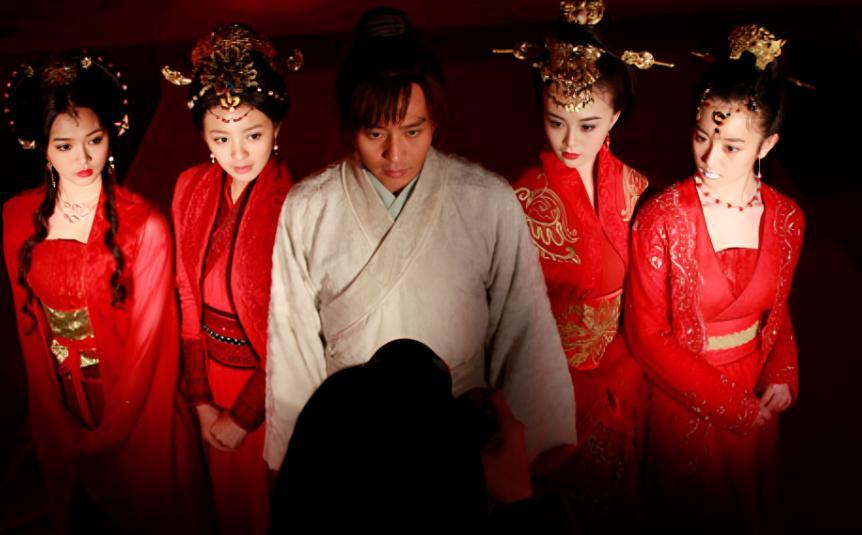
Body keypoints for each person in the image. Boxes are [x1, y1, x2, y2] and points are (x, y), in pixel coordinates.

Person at [264, 8, 576, 470]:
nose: (395, 154)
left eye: (413, 131)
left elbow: (524, 329)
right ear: (350, 128)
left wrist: (534, 449)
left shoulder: (486, 199)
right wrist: (298, 463)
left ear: (435, 122)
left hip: (460, 439)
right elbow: (293, 348)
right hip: (352, 443)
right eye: (375, 133)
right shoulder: (308, 208)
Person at [2, 54, 203, 532]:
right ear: (42, 147)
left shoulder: (145, 226)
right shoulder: (15, 218)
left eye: (94, 140)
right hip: (61, 400)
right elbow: (30, 333)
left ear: (111, 135)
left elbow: (150, 348)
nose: (83, 158)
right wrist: (54, 419)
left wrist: (112, 430)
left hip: (134, 402)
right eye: (64, 145)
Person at [624, 24, 805, 531]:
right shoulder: (662, 218)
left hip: (756, 391)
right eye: (702, 137)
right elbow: (645, 333)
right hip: (683, 394)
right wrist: (731, 407)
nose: (709, 158)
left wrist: (783, 370)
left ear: (767, 145)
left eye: (731, 146)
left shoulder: (788, 218)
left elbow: (778, 306)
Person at [501, 1, 671, 527]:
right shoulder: (520, 201)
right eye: (556, 122)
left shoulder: (635, 188)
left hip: (622, 372)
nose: (570, 141)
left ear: (616, 117)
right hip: (551, 385)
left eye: (588, 124)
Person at [163, 23, 299, 535]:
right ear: (203, 136)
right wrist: (200, 399)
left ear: (277, 127)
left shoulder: (298, 205)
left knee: (270, 504)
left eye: (253, 135)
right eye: (221, 137)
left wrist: (241, 417)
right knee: (226, 508)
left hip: (270, 389)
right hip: (210, 380)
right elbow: (186, 295)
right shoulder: (191, 187)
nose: (238, 153)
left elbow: (293, 329)